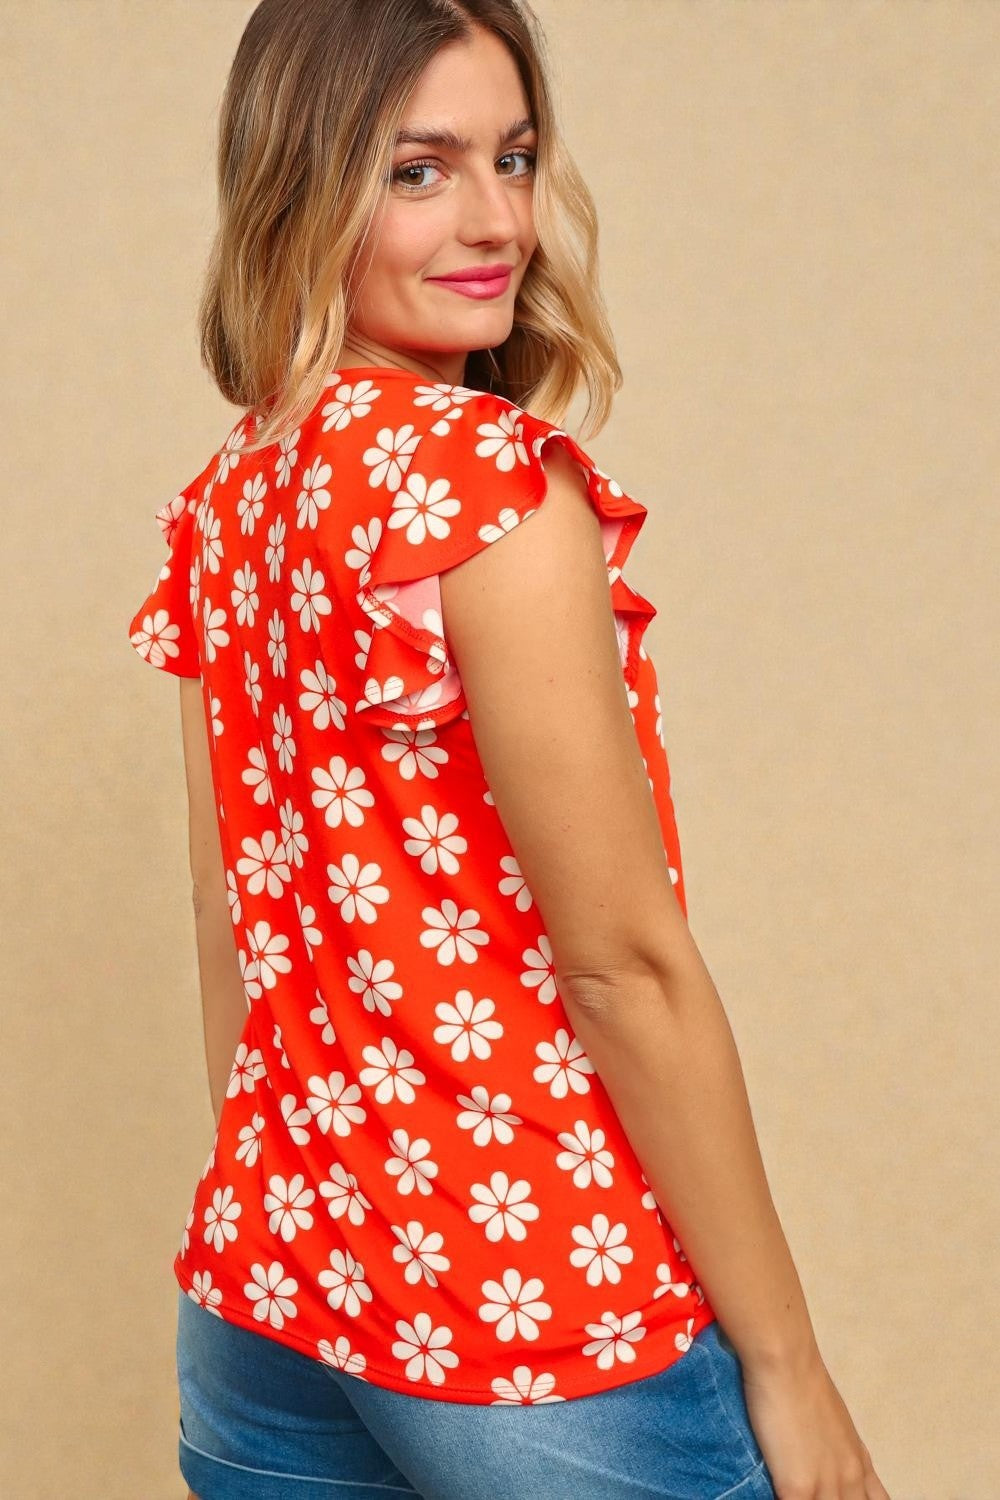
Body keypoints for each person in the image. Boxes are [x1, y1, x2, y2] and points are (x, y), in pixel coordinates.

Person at [126, 2, 892, 1497]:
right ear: (301, 185)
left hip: (269, 1284)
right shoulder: (490, 490)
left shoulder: (230, 498)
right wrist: (790, 1373)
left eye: (515, 157)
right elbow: (622, 969)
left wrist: (320, 1205)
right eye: (419, 171)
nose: (495, 222)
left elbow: (228, 911)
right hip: (527, 1304)